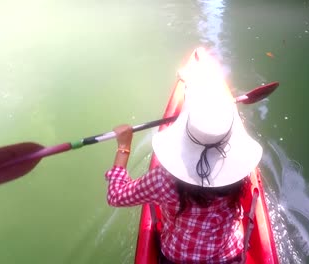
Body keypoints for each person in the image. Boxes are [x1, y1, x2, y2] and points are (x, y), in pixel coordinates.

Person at [104, 74, 262, 263]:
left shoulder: (163, 180)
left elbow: (116, 196)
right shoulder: (241, 169)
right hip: (228, 257)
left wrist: (124, 147)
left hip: (178, 257)